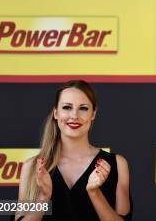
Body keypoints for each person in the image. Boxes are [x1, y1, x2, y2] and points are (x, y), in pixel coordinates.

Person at [16, 80, 131, 221]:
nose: (74, 115)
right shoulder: (32, 167)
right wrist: (43, 197)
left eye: (83, 108)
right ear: (56, 113)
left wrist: (95, 193)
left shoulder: (117, 164)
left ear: (93, 114)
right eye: (67, 107)